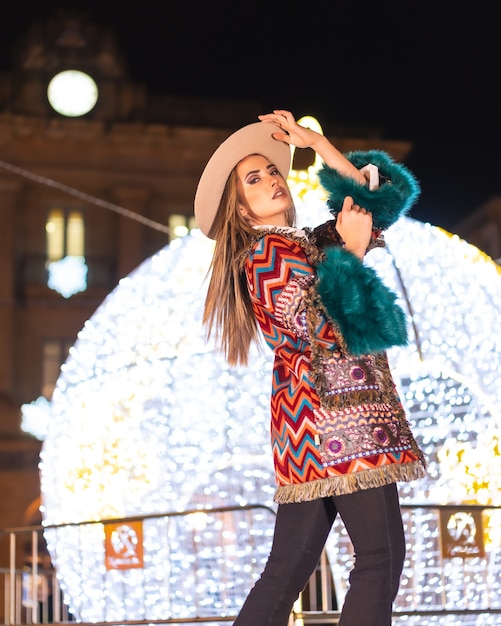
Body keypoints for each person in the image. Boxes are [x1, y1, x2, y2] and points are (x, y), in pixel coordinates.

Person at [194, 109, 427, 626]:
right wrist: (354, 252)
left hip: (315, 423)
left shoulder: (303, 243)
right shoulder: (266, 255)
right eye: (253, 179)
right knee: (379, 558)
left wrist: (314, 143)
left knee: (288, 566)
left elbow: (377, 198)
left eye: (273, 170)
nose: (271, 179)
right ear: (238, 206)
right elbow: (319, 327)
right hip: (335, 419)